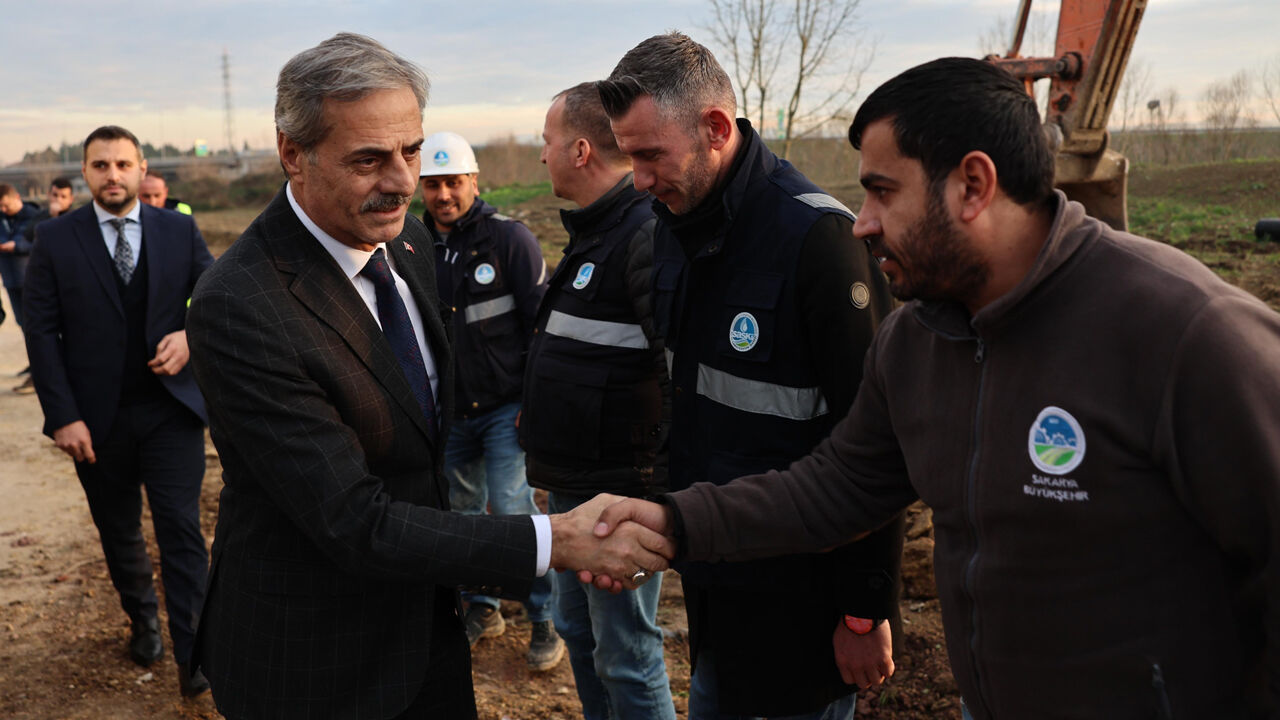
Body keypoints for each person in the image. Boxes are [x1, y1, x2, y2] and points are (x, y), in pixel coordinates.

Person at [594, 57, 1280, 719]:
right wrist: (677, 522)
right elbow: (836, 488)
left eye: (883, 192)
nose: (861, 221)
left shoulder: (1185, 332)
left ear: (973, 186)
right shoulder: (918, 341)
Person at [183, 33, 667, 719]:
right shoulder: (241, 305)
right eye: (368, 159)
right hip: (315, 660)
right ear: (293, 153)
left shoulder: (404, 241)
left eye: (410, 150)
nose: (404, 181)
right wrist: (555, 539)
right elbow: (352, 519)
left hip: (426, 632)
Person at [595, 32, 905, 720]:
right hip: (717, 589)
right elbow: (690, 405)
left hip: (803, 606)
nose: (638, 179)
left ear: (712, 128)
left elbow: (874, 444)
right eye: (629, 157)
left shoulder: (819, 241)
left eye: (649, 155)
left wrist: (862, 611)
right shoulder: (671, 230)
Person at [22, 125, 214, 698]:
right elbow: (40, 332)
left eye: (122, 165)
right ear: (86, 172)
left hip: (171, 410)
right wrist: (63, 417)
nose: (113, 175)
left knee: (181, 530)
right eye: (100, 165)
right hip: (94, 419)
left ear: (140, 168)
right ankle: (144, 620)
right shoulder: (54, 238)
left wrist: (188, 334)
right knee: (119, 529)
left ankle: (195, 651)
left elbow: (215, 295)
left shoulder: (178, 229)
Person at [523, 82, 673, 719]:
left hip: (619, 496)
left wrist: (653, 497)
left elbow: (677, 377)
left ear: (580, 150)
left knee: (626, 656)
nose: (541, 157)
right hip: (572, 486)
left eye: (547, 142)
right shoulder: (590, 234)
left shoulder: (641, 235)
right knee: (579, 635)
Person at [417, 131, 563, 670]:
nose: (443, 194)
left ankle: (544, 617)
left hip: (506, 409)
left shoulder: (510, 240)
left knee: (513, 511)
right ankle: (481, 607)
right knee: (463, 516)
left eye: (453, 182)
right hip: (451, 415)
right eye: (432, 184)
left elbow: (541, 327)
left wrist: (532, 400)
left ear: (474, 181)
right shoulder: (411, 246)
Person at [14, 176, 75, 394]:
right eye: (55, 195)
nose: (58, 200)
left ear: (71, 198)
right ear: (49, 195)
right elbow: (29, 235)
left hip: (70, 285)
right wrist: (51, 216)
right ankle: (39, 375)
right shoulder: (41, 217)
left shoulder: (79, 219)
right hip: (44, 284)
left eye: (63, 196)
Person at [0, 182, 39, 330]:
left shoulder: (34, 216)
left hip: (32, 279)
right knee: (22, 322)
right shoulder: (1, 217)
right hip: (10, 280)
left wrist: (16, 246)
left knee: (39, 322)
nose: (3, 210)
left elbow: (40, 244)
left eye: (6, 205)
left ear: (17, 197)